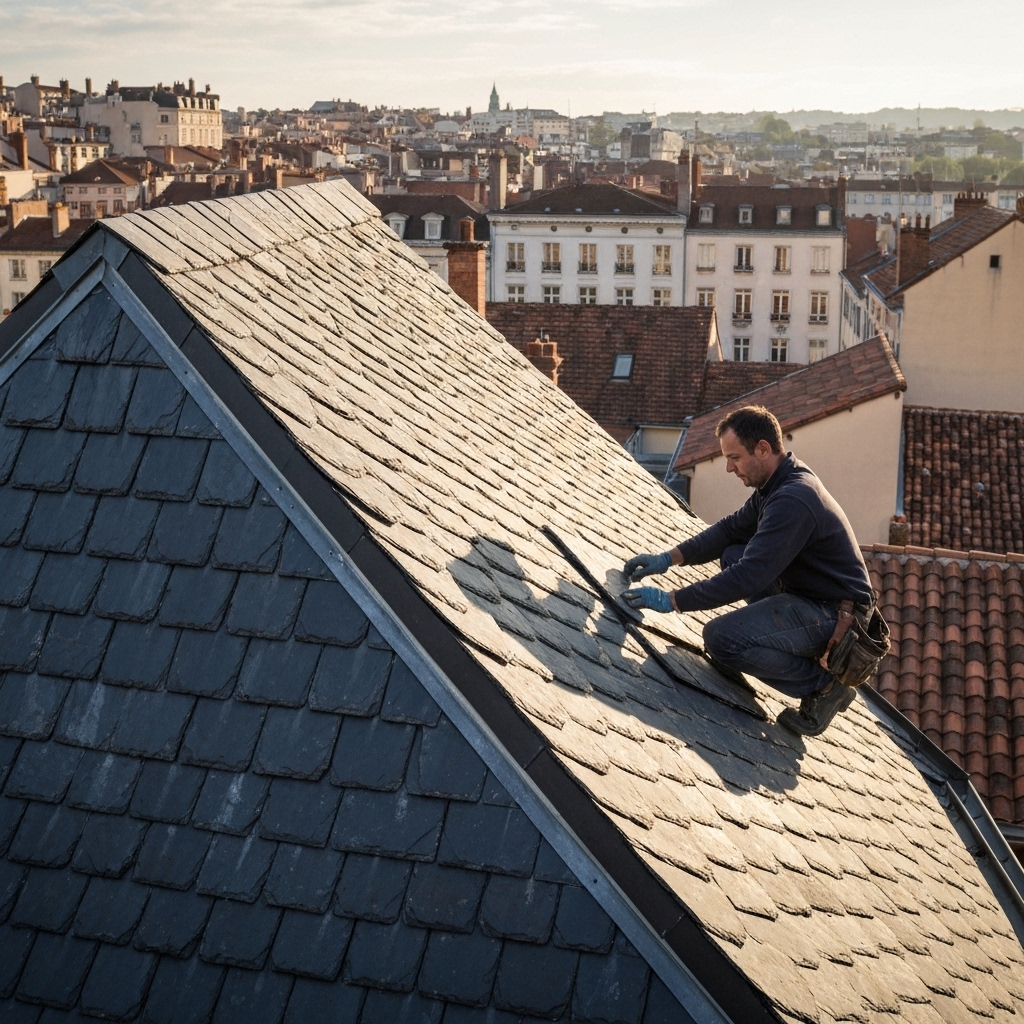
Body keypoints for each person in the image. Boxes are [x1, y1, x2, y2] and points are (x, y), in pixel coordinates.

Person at [622, 405, 876, 736]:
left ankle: (823, 687)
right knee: (732, 553)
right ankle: (772, 643)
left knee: (721, 639)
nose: (729, 467)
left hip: (836, 617)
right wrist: (669, 558)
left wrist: (672, 600)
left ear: (763, 449)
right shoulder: (778, 483)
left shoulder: (793, 499)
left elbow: (748, 578)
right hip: (813, 599)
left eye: (735, 457)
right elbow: (730, 531)